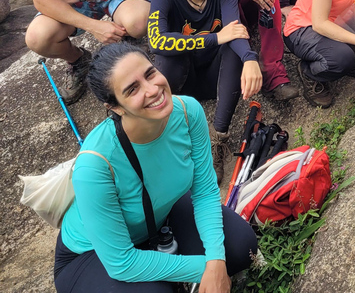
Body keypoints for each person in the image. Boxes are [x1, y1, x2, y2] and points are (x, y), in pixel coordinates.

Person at [53, 42, 259, 293]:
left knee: (240, 248)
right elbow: (122, 263)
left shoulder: (187, 112)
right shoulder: (95, 165)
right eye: (132, 89)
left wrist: (217, 259)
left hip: (159, 217)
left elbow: (204, 191)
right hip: (93, 254)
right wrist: (207, 269)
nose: (152, 90)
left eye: (150, 73)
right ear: (115, 107)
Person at [147, 0, 262, 181]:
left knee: (233, 46)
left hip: (214, 79)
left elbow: (235, 30)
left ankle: (217, 138)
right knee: (167, 56)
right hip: (179, 83)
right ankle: (162, 133)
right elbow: (157, 41)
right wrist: (215, 38)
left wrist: (250, 59)